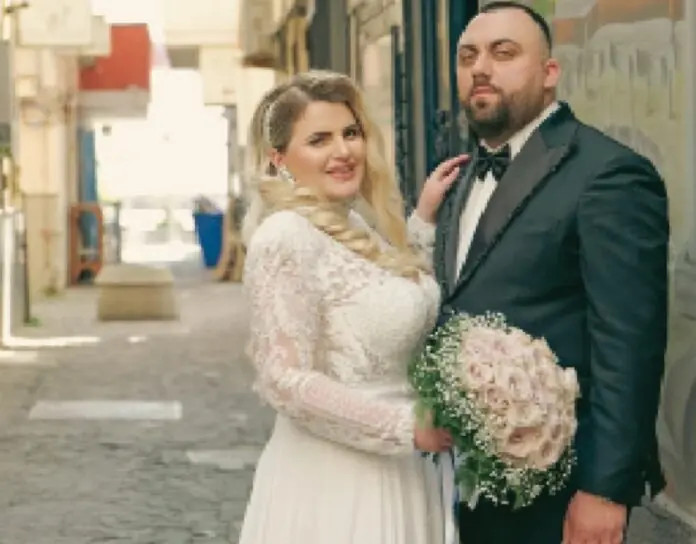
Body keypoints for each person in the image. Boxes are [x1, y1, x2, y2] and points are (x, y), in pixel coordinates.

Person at [416, 2, 670, 543]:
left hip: (560, 490)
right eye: (468, 56)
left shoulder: (609, 174)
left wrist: (606, 490)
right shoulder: (457, 178)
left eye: (504, 53)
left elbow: (629, 345)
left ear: (549, 72)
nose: (481, 68)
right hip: (462, 486)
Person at [237, 70, 467, 544]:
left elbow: (384, 297)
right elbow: (284, 380)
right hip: (336, 485)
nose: (343, 151)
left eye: (350, 133)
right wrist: (403, 426)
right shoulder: (284, 238)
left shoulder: (353, 225)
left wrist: (424, 220)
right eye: (319, 140)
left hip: (401, 473)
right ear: (279, 158)